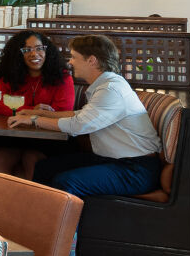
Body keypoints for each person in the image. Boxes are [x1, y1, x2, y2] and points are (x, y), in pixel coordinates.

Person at [11, 34, 161, 197]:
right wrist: (38, 112)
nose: (70, 62)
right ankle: (39, 219)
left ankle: (60, 222)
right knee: (45, 167)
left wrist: (34, 120)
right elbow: (81, 114)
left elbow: (79, 124)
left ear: (92, 60)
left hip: (136, 169)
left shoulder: (110, 90)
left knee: (66, 181)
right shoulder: (106, 85)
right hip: (114, 160)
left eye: (74, 57)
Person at [0, 31, 76, 179]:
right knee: (0, 157)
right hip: (14, 135)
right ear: (17, 55)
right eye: (27, 50)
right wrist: (30, 111)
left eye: (39, 48)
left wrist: (25, 113)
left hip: (49, 138)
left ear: (47, 50)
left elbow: (63, 111)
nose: (34, 54)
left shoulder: (62, 76)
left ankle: (31, 202)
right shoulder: (10, 76)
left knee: (31, 158)